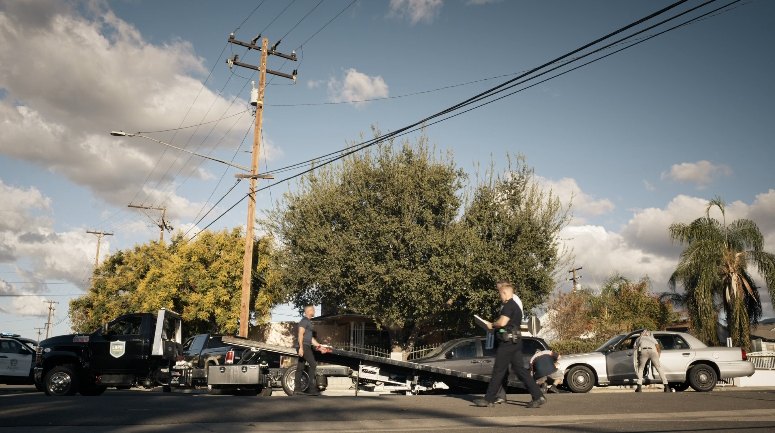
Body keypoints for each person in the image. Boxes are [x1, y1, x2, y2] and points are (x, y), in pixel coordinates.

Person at [474, 281, 545, 408]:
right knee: (520, 371)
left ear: (505, 293)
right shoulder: (516, 307)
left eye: (500, 294)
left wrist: (491, 324)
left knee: (498, 370)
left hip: (507, 343)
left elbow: (502, 323)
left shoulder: (508, 305)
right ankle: (538, 396)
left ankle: (488, 399)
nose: (499, 297)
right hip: (516, 342)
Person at [295, 305, 323, 396]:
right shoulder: (304, 321)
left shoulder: (309, 322)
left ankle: (297, 389)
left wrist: (319, 346)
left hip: (306, 345)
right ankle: (311, 389)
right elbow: (300, 334)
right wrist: (301, 348)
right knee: (313, 364)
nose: (314, 311)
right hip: (304, 346)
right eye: (313, 310)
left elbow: (310, 339)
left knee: (300, 368)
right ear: (308, 311)